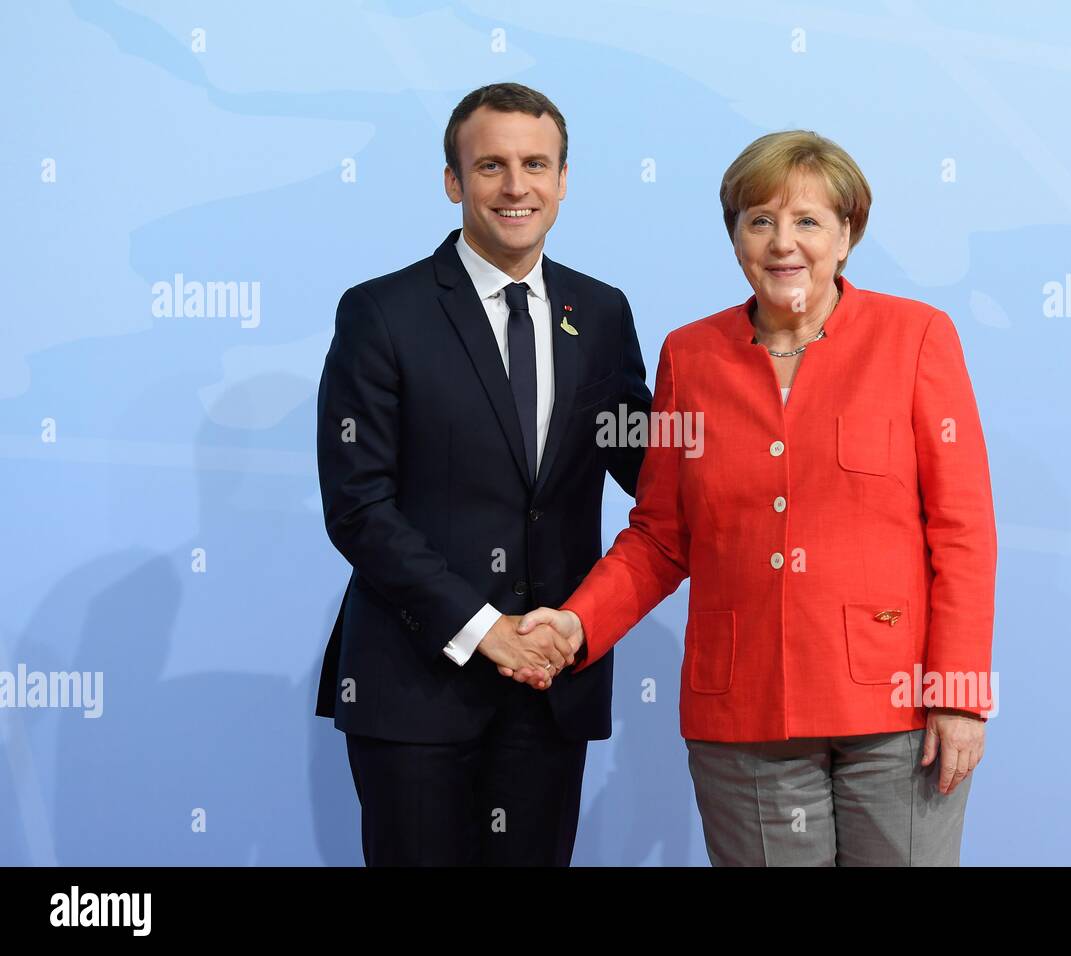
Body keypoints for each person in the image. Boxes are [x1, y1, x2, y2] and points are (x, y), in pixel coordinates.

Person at [514, 130, 998, 866]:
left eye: (808, 221)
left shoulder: (917, 338)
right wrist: (577, 626)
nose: (783, 243)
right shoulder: (691, 355)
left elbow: (962, 531)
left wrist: (959, 694)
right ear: (735, 236)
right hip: (743, 717)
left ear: (847, 234)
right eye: (759, 220)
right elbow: (661, 536)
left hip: (898, 715)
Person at [314, 82, 652, 865]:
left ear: (563, 180)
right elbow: (358, 507)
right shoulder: (381, 312)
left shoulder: (601, 314)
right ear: (453, 182)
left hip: (551, 684)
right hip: (416, 690)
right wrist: (485, 632)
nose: (515, 186)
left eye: (536, 164)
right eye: (491, 165)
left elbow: (641, 462)